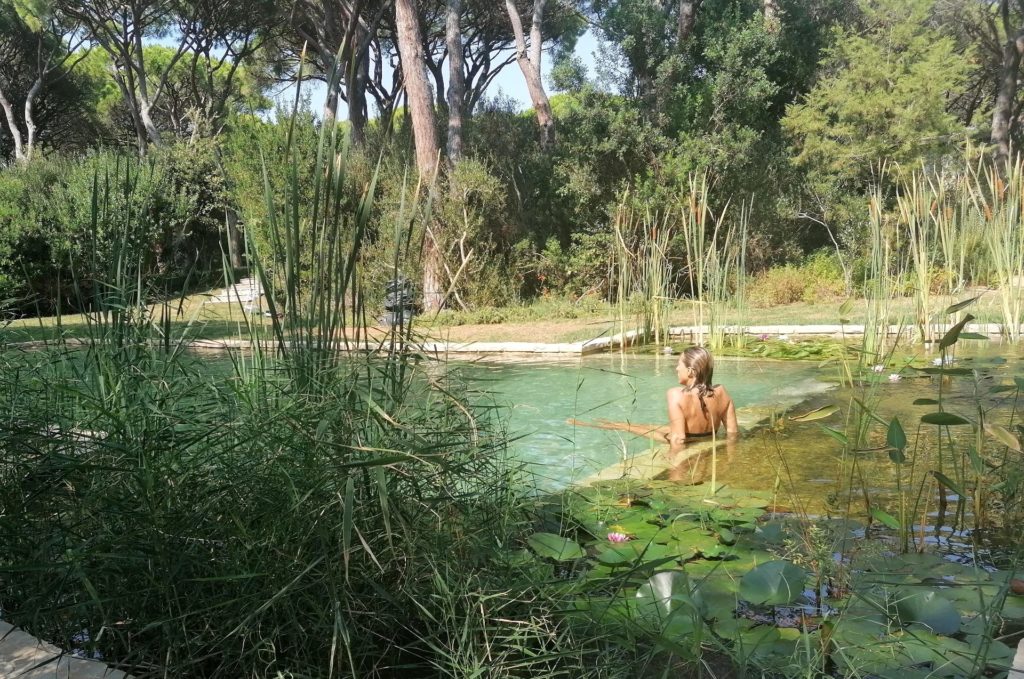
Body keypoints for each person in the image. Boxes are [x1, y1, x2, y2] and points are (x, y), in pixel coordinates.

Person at [666, 346, 738, 450]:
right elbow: (733, 432)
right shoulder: (722, 392)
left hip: (689, 441)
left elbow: (679, 439)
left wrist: (672, 461)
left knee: (642, 429)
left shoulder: (675, 394)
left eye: (679, 364)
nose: (677, 368)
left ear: (690, 371)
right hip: (709, 437)